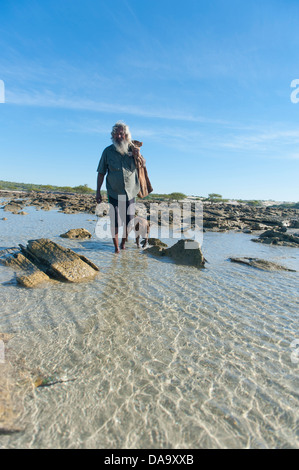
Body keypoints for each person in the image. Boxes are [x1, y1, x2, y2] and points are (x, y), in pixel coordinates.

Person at [96, 121, 145, 253]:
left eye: (121, 134)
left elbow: (143, 164)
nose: (118, 136)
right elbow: (101, 172)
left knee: (129, 222)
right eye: (116, 134)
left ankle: (124, 243)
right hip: (114, 192)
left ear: (126, 135)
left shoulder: (133, 149)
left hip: (130, 192)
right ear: (112, 135)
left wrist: (137, 154)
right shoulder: (107, 151)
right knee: (115, 222)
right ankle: (117, 248)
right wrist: (98, 192)